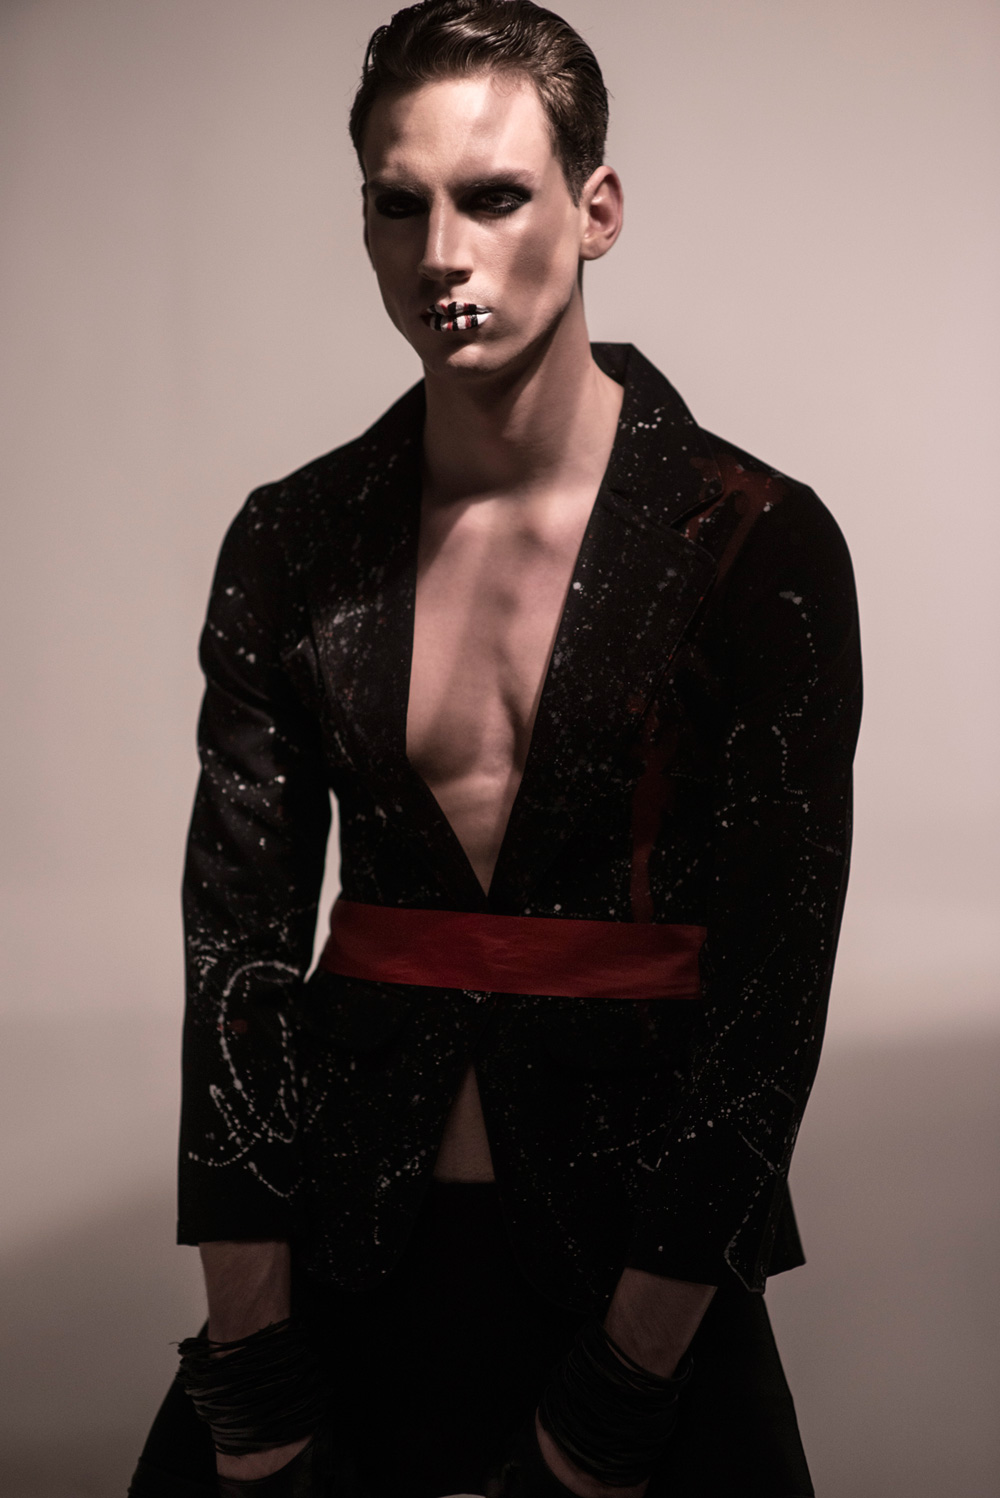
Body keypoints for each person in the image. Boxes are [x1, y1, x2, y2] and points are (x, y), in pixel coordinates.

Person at [129, 3, 862, 1496]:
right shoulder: (293, 541)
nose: (442, 254)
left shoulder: (753, 542)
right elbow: (237, 963)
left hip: (641, 1284)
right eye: (398, 206)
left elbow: (770, 1005)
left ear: (597, 210)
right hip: (344, 1264)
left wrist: (620, 1397)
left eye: (495, 196)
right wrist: (252, 1371)